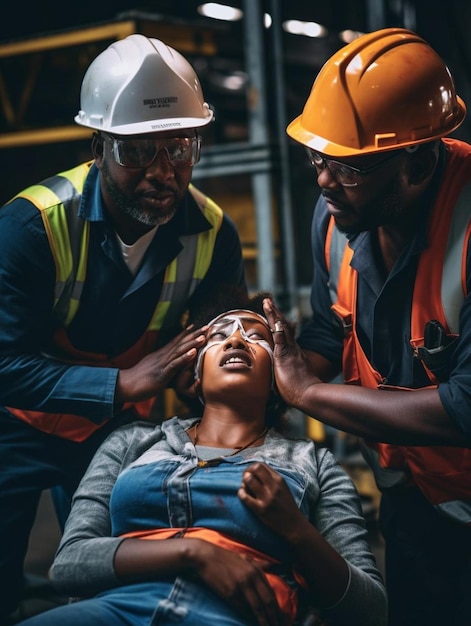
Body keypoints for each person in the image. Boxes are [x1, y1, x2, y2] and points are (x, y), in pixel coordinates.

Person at [0, 33, 247, 621]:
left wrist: (213, 364)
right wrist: (123, 383)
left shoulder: (214, 234)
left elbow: (210, 346)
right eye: (137, 151)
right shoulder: (30, 228)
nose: (162, 173)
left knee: (112, 580)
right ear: (99, 146)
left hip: (116, 435)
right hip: (14, 426)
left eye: (180, 147)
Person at [261, 26, 471, 626]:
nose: (325, 183)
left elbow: (467, 404)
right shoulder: (336, 217)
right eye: (318, 160)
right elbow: (334, 329)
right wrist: (277, 374)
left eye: (350, 169)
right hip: (414, 496)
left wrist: (310, 394)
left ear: (421, 161)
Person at [16, 289, 387, 626]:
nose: (236, 339)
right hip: (113, 612)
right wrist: (193, 553)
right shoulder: (131, 442)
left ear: (280, 373)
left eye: (256, 336)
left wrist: (297, 530)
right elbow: (70, 565)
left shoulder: (315, 465)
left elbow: (369, 611)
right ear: (195, 372)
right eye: (219, 335)